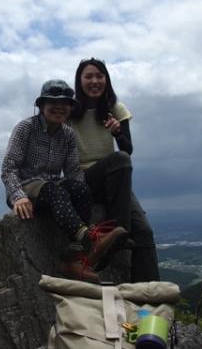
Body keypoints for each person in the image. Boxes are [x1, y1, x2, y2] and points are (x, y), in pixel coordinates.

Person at [1, 79, 127, 284]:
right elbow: (9, 167)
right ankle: (90, 240)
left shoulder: (68, 134)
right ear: (42, 106)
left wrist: (82, 193)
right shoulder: (25, 128)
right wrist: (18, 196)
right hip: (26, 185)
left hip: (52, 185)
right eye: (53, 102)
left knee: (79, 188)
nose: (59, 107)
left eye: (65, 104)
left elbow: (73, 171)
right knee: (55, 191)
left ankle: (73, 260)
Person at [69, 58, 160, 282]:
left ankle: (147, 291)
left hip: (114, 177)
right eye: (88, 76)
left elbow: (127, 149)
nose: (95, 81)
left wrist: (118, 133)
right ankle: (116, 234)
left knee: (144, 231)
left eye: (99, 76)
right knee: (119, 160)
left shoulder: (115, 109)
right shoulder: (70, 111)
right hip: (84, 179)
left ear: (106, 80)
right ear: (79, 81)